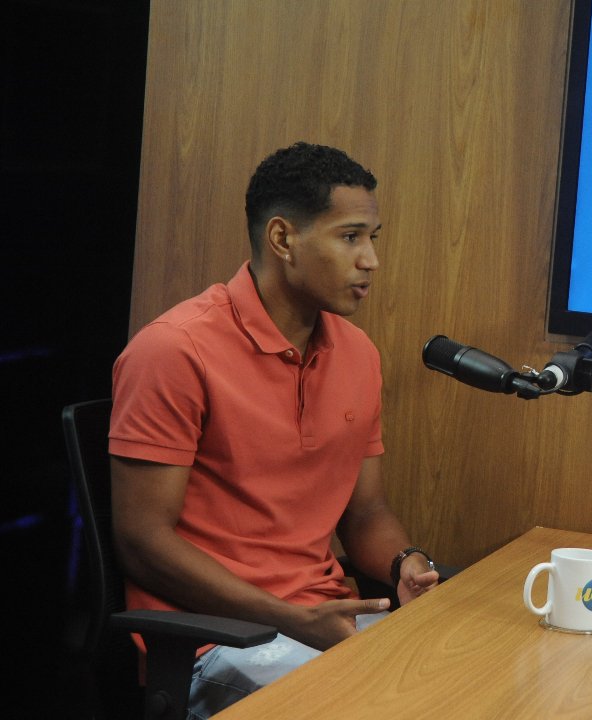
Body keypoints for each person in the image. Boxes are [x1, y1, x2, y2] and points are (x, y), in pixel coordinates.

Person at [109, 142, 438, 718]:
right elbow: (143, 542)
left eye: (373, 238)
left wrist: (403, 562)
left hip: (322, 618)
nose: (371, 260)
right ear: (283, 239)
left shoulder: (358, 354)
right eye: (350, 236)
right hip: (214, 640)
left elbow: (365, 515)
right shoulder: (174, 350)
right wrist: (288, 618)